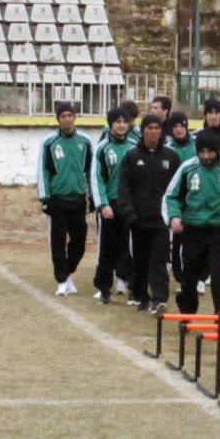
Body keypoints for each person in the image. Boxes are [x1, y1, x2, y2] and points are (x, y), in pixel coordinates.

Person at [163, 128, 220, 314]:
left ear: (217, 150)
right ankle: (187, 315)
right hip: (192, 230)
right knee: (188, 277)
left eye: (210, 152)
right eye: (202, 152)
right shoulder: (187, 168)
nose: (206, 156)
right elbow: (171, 196)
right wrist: (173, 216)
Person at [116, 114, 181, 316]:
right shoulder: (131, 156)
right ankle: (140, 296)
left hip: (161, 221)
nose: (153, 131)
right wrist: (129, 214)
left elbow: (178, 188)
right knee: (141, 260)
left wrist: (173, 214)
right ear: (143, 130)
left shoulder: (171, 157)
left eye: (157, 128)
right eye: (149, 128)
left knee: (159, 259)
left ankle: (160, 299)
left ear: (161, 131)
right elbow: (124, 188)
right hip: (138, 219)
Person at [37, 102, 93, 296]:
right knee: (58, 242)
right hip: (57, 199)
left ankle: (68, 271)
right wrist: (45, 197)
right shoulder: (49, 142)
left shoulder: (84, 142)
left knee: (79, 243)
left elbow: (90, 171)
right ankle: (61, 280)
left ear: (75, 117)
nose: (67, 119)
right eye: (63, 116)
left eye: (70, 115)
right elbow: (42, 170)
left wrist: (92, 196)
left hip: (78, 198)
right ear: (58, 119)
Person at [90, 108, 137, 304]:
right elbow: (96, 178)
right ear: (111, 124)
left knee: (131, 248)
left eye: (124, 121)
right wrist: (102, 205)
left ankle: (132, 288)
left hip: (130, 206)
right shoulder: (102, 148)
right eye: (117, 122)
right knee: (107, 249)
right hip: (110, 204)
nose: (121, 125)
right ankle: (103, 289)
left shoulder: (135, 147)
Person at [165, 111, 197, 291]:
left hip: (197, 200)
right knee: (176, 242)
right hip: (177, 201)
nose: (179, 130)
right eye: (175, 126)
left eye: (181, 126)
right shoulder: (168, 149)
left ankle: (197, 278)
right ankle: (181, 278)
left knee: (194, 243)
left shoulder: (197, 145)